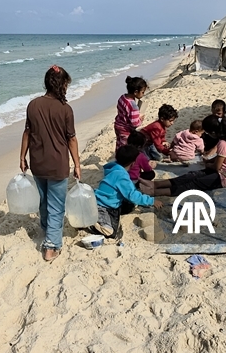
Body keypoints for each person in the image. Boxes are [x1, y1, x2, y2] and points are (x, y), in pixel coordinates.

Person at [20, 65, 81, 262]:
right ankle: (51, 246)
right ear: (63, 85)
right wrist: (77, 164)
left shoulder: (33, 105)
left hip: (37, 162)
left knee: (44, 201)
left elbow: (27, 133)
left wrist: (22, 157)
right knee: (56, 206)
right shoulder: (65, 109)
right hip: (57, 165)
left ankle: (47, 229)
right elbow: (71, 139)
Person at [152, 115, 226, 197]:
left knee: (194, 184)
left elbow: (217, 167)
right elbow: (223, 158)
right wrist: (209, 161)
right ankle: (157, 184)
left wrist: (209, 165)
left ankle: (157, 191)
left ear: (213, 132)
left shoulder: (223, 143)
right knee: (192, 175)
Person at [92, 145, 162, 237]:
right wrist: (151, 201)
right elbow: (132, 195)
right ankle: (94, 222)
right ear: (133, 163)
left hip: (104, 200)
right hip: (103, 205)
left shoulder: (114, 167)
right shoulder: (121, 176)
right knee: (110, 232)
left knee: (129, 206)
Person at [114, 76, 147, 149]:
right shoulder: (133, 106)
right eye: (142, 92)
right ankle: (122, 158)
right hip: (126, 129)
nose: (143, 94)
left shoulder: (122, 97)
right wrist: (140, 119)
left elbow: (120, 108)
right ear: (135, 92)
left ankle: (118, 154)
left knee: (119, 142)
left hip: (118, 124)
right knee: (125, 146)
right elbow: (134, 123)